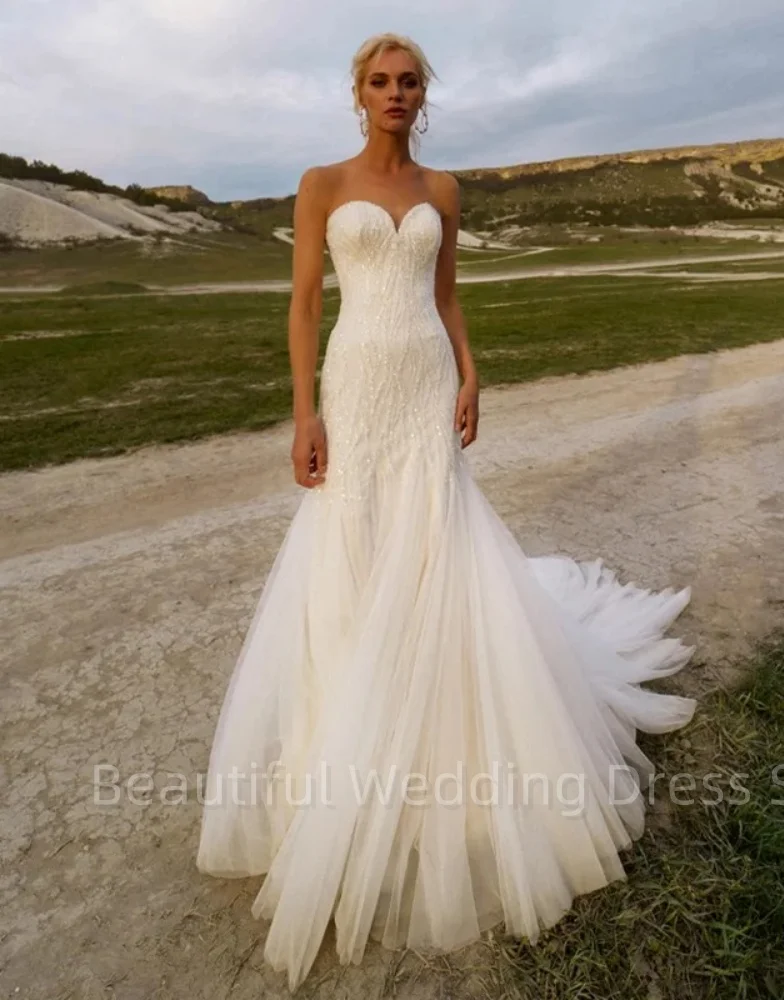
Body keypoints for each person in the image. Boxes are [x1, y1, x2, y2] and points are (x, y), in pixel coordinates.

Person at [195, 31, 698, 992]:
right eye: (379, 81)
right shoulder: (320, 183)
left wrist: (473, 370)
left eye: (409, 81)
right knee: (351, 543)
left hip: (424, 382)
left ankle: (444, 741)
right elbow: (304, 304)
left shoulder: (444, 192)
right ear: (358, 93)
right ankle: (342, 744)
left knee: (431, 548)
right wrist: (303, 410)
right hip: (356, 383)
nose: (394, 93)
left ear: (424, 96)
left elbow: (448, 293)